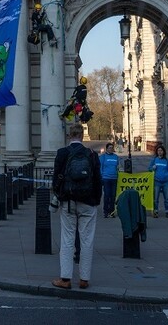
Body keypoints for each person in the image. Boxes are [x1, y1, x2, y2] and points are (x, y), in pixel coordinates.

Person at [51, 122, 102, 290]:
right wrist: (96, 200)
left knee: (67, 240)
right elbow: (97, 180)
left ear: (69, 136)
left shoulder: (62, 153)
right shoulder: (91, 154)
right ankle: (84, 279)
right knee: (87, 240)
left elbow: (56, 179)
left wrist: (58, 196)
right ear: (82, 136)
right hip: (88, 203)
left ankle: (65, 279)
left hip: (68, 202)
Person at [148, 144, 168, 218]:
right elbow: (149, 169)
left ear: (163, 152)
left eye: (161, 150)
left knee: (167, 198)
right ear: (157, 152)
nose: (160, 152)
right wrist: (152, 168)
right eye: (158, 150)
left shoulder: (166, 161)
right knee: (156, 198)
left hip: (166, 182)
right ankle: (156, 211)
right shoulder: (154, 160)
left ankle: (167, 211)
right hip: (157, 182)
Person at [100, 142, 120, 218]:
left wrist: (119, 170)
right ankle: (106, 211)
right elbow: (100, 168)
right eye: (110, 148)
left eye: (112, 148)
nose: (111, 149)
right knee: (107, 195)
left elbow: (118, 166)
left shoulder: (116, 157)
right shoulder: (103, 157)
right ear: (107, 149)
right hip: (106, 178)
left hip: (114, 178)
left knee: (113, 195)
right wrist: (101, 177)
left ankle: (112, 211)